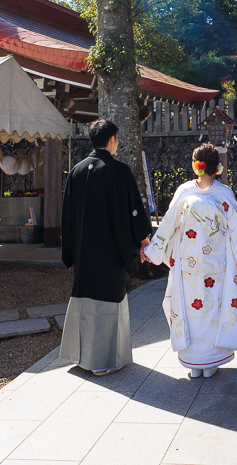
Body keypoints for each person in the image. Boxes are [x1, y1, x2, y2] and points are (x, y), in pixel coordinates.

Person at [142, 144, 237, 378]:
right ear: (217, 167)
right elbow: (235, 230)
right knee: (213, 309)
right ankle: (210, 362)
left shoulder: (184, 192)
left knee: (190, 308)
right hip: (217, 263)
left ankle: (194, 362)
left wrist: (154, 252)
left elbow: (168, 224)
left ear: (195, 165)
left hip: (188, 263)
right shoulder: (223, 193)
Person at [60, 119, 153, 376]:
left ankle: (82, 357)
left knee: (85, 303)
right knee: (109, 304)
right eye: (118, 138)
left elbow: (66, 215)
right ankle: (102, 362)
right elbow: (133, 212)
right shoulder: (118, 171)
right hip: (110, 250)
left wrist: (70, 251)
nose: (118, 143)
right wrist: (145, 244)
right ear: (111, 139)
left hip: (84, 251)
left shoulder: (77, 170)